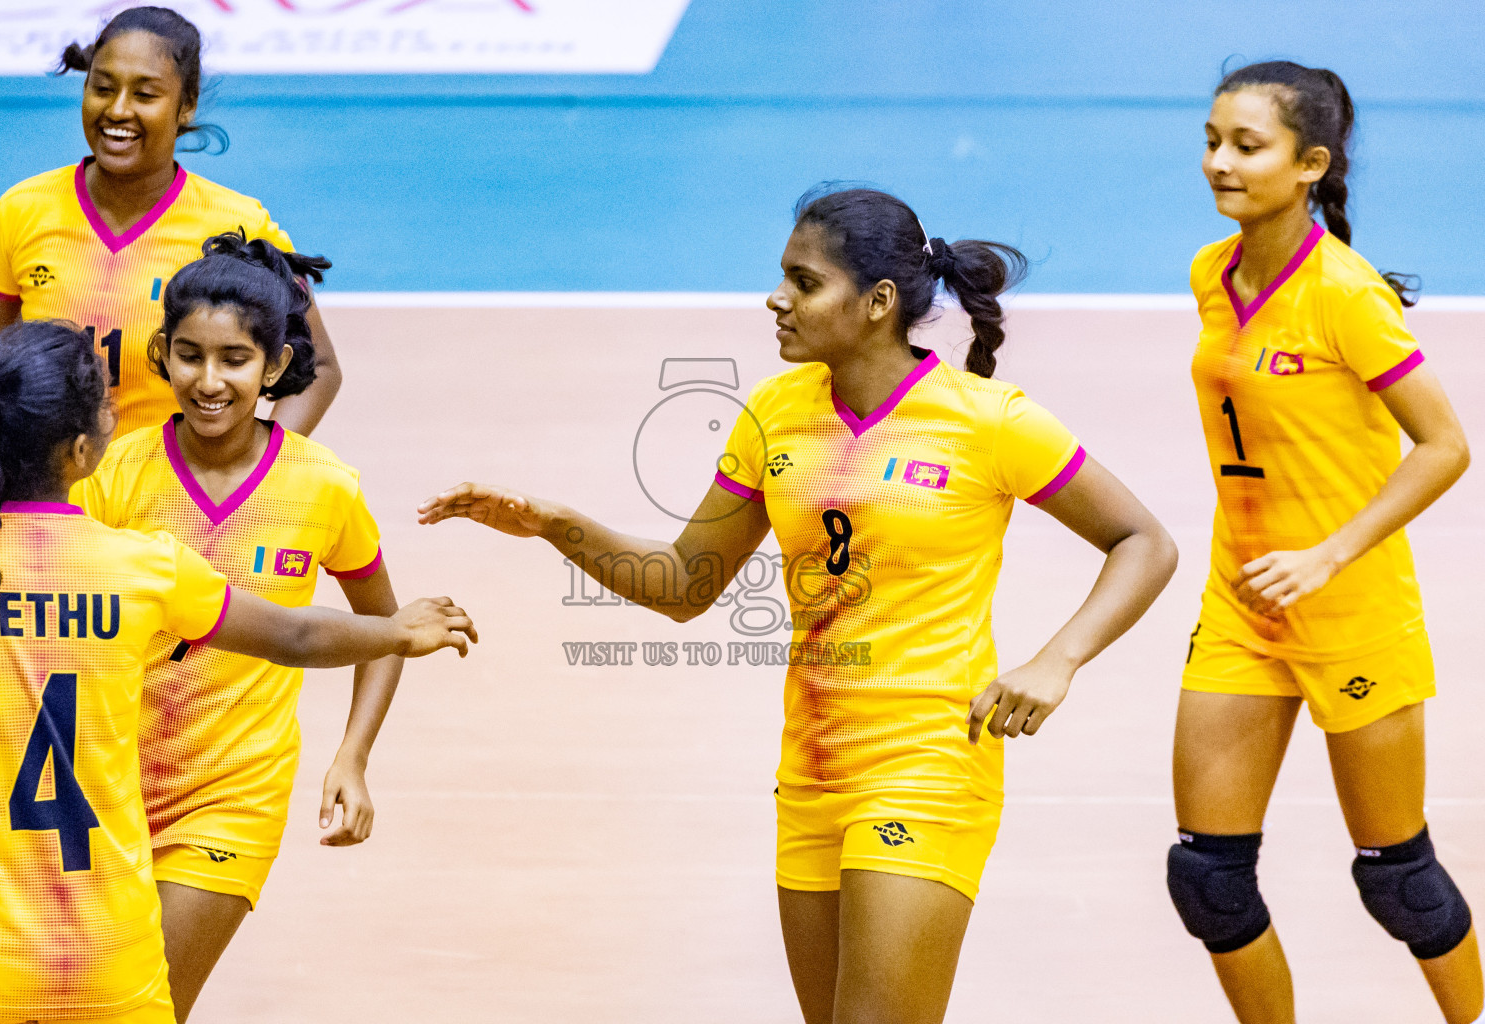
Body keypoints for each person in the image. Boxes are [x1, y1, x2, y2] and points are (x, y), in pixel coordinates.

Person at [417, 186, 1178, 1024]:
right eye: (781, 277)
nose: (776, 299)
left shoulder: (988, 420)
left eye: (803, 282)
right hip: (812, 773)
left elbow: (1143, 540)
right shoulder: (776, 415)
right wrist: (554, 524)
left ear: (879, 302)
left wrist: (1057, 659)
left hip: (927, 765)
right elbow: (685, 586)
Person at [0, 320, 474, 1023]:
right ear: (81, 451)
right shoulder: (144, 568)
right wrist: (394, 631)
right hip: (112, 960)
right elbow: (294, 632)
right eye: (108, 404)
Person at [1169, 61, 1479, 1024]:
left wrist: (1328, 552)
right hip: (1242, 602)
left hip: (1348, 608)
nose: (1220, 162)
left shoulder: (1345, 295)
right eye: (1212, 140)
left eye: (1247, 147)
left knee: (1400, 880)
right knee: (1207, 880)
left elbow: (1447, 446)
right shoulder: (1211, 275)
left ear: (1310, 165)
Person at [65, 230, 391, 1019]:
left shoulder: (324, 489)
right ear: (161, 354)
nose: (209, 381)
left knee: (145, 1010)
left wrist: (352, 757)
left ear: (275, 366)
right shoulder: (111, 477)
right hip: (99, 788)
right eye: (189, 356)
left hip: (229, 795)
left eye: (235, 361)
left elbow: (380, 627)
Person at [0, 5, 341, 438]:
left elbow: (321, 369)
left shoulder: (238, 224)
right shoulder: (23, 209)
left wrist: (258, 472)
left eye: (144, 95)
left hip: (171, 503)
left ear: (186, 106)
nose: (118, 110)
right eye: (102, 88)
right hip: (50, 499)